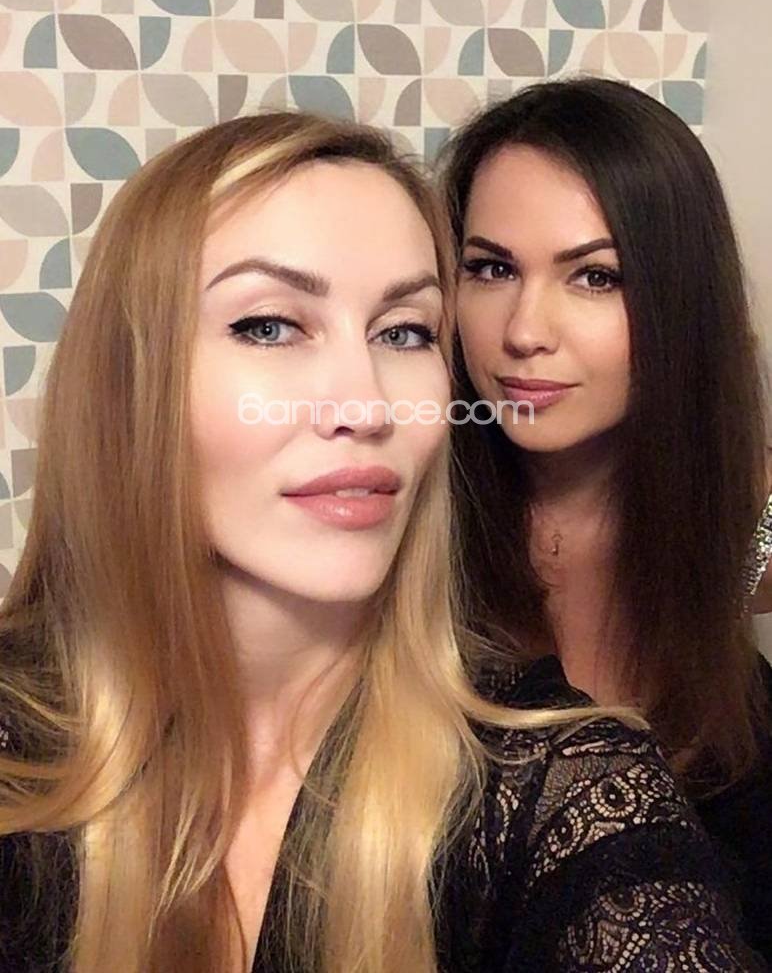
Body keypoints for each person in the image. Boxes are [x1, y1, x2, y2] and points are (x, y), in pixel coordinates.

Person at [0, 111, 763, 973]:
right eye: (268, 325)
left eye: (403, 331)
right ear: (125, 377)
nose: (366, 406)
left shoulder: (568, 773)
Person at [442, 74, 772, 963]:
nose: (524, 331)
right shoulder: (400, 532)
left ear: (679, 299)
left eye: (595, 276)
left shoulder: (747, 526)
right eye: (491, 268)